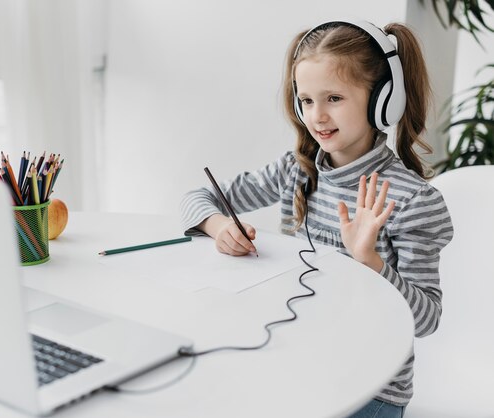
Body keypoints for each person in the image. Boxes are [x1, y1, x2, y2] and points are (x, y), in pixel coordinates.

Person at [179, 20, 454, 418]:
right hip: (297, 367)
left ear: (383, 100)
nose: (317, 116)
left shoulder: (413, 200)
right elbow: (197, 196)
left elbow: (427, 320)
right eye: (306, 100)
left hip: (370, 389)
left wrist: (371, 263)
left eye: (334, 98)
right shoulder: (296, 171)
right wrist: (219, 227)